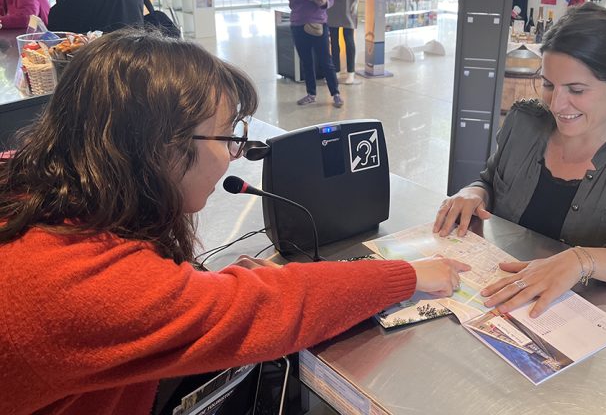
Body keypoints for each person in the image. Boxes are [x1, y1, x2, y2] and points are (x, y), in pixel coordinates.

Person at [0, 29, 468, 415]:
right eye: (228, 137)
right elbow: (268, 308)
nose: (233, 156)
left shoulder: (38, 191)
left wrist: (205, 290)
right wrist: (405, 274)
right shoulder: (73, 282)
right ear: (162, 145)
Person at [433, 3, 606, 319]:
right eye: (549, 85)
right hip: (499, 306)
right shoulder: (525, 122)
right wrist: (473, 193)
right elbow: (491, 179)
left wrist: (582, 260)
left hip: (590, 323)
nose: (557, 104)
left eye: (577, 90)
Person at [283, 0, 343, 108]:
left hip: (319, 24)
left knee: (325, 60)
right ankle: (311, 94)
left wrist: (323, 2)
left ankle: (335, 93)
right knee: (306, 61)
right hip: (298, 24)